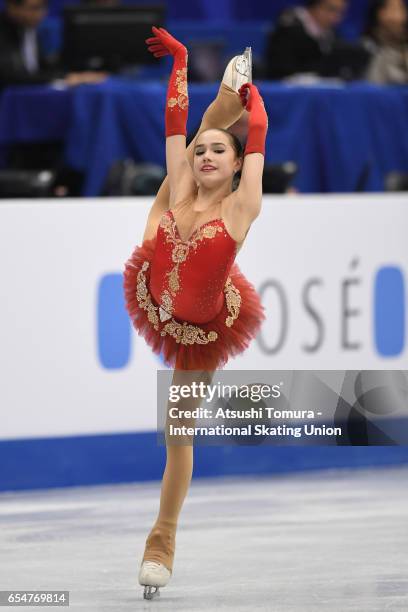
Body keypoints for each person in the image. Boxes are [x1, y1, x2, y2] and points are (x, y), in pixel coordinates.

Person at [123, 27, 268, 599]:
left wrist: (252, 120)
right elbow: (177, 129)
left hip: (204, 325)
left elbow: (253, 147)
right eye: (202, 152)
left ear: (235, 166)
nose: (205, 156)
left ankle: (162, 539)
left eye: (219, 152)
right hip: (157, 276)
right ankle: (226, 93)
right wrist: (180, 62)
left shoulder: (241, 207)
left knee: (176, 431)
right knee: (180, 162)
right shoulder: (182, 181)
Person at [0, 0, 106, 86]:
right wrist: (64, 78)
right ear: (12, 7)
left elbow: (41, 68)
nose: (41, 13)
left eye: (43, 7)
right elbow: (10, 75)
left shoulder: (29, 29)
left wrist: (74, 76)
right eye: (34, 8)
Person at [264, 0, 370, 80]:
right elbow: (280, 70)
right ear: (314, 4)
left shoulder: (332, 33)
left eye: (340, 13)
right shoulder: (287, 27)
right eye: (331, 9)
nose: (336, 18)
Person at [363, 0, 408, 84]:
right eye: (394, 9)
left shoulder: (404, 48)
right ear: (379, 12)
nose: (400, 17)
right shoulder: (365, 46)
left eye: (401, 9)